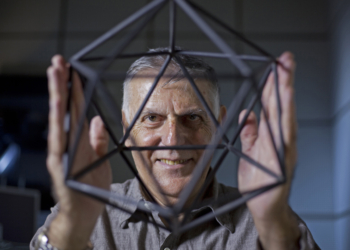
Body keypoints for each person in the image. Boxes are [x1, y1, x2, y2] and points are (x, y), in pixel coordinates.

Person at [31, 48, 320, 250]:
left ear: (219, 126)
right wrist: (72, 229)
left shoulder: (272, 218)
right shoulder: (77, 211)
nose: (173, 139)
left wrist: (272, 228)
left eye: (192, 117)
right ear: (126, 128)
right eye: (152, 118)